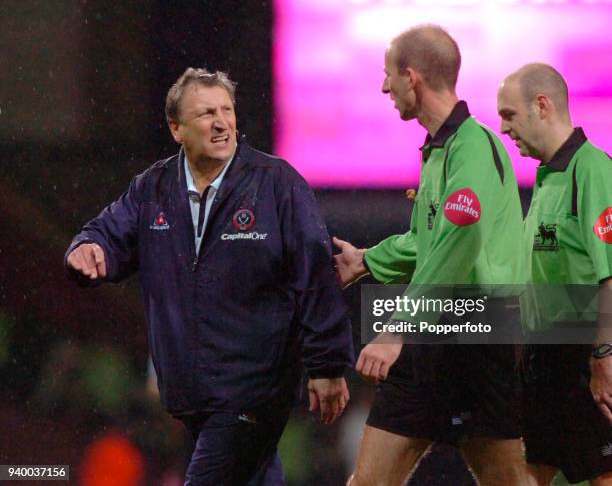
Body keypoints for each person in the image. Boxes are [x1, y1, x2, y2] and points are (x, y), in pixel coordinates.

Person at [65, 68, 354, 485]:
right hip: (190, 394)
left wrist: (327, 364)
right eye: (205, 114)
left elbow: (315, 276)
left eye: (227, 110)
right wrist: (85, 249)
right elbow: (105, 236)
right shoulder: (153, 188)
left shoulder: (277, 184)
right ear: (176, 128)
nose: (221, 123)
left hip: (254, 390)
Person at [333, 25, 529, 485]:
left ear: (412, 76)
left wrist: (397, 328)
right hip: (439, 329)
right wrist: (368, 260)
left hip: (479, 333)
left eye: (388, 76)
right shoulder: (440, 151)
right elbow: (432, 240)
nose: (384, 87)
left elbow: (457, 245)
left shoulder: (473, 147)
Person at [497, 63, 612, 485]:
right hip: (544, 359)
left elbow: (610, 274)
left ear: (542, 106)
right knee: (527, 474)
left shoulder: (592, 170)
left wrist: (604, 356)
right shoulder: (548, 179)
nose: (504, 128)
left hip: (584, 355)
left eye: (509, 115)